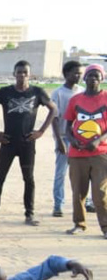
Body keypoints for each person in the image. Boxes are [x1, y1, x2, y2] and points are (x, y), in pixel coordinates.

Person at [0, 60, 57, 226]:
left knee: (28, 179)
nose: (22, 75)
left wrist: (41, 131)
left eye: (25, 72)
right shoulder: (4, 92)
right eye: (19, 72)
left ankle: (29, 214)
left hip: (27, 143)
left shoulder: (37, 92)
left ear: (30, 74)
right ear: (14, 74)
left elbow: (53, 109)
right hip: (7, 141)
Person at [64, 63, 107, 237]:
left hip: (100, 153)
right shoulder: (75, 100)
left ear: (102, 79)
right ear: (85, 78)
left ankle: (105, 226)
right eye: (90, 75)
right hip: (77, 154)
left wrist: (98, 141)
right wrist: (72, 140)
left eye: (97, 76)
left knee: (100, 193)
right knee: (78, 192)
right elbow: (68, 125)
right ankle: (79, 223)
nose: (93, 79)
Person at [51, 61, 85, 217]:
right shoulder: (58, 93)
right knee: (61, 173)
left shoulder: (83, 92)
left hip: (81, 139)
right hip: (64, 138)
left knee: (83, 173)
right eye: (75, 73)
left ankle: (85, 203)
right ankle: (58, 205)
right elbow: (54, 118)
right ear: (66, 74)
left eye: (80, 73)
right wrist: (59, 141)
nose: (78, 76)